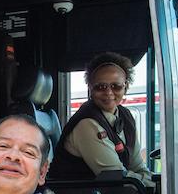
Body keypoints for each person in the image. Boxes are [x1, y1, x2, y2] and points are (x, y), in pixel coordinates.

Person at [53, 52, 152, 181]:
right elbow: (115, 177)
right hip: (83, 193)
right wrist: (148, 183)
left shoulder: (126, 116)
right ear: (90, 89)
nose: (109, 92)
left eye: (116, 86)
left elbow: (137, 166)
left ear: (126, 87)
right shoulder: (87, 123)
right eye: (100, 87)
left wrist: (150, 182)